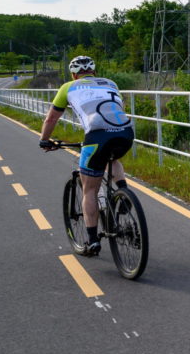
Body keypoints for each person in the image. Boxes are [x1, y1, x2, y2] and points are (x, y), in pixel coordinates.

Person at [39, 55, 133, 256]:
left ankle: (92, 241)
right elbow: (117, 109)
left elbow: (51, 119)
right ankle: (124, 192)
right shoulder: (111, 83)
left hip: (96, 137)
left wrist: (44, 140)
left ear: (74, 75)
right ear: (94, 72)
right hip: (125, 133)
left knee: (90, 190)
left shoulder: (68, 87)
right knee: (112, 157)